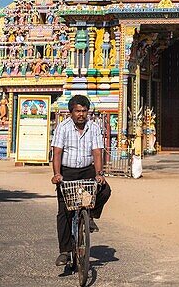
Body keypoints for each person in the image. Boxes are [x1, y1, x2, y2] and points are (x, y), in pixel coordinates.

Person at [51, 95, 111, 269]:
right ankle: (65, 251)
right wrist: (57, 174)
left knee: (105, 190)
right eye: (77, 111)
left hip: (87, 170)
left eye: (84, 111)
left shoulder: (93, 128)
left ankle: (90, 215)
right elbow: (57, 153)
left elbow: (97, 152)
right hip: (67, 172)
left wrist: (99, 174)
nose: (81, 114)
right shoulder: (62, 128)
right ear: (71, 112)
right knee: (64, 212)